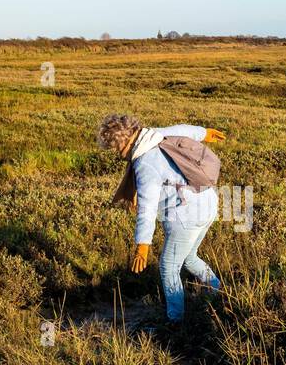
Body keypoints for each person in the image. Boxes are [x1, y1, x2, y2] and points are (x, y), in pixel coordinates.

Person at [97, 114, 227, 322]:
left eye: (113, 148)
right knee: (189, 258)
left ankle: (176, 321)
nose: (116, 154)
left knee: (168, 267)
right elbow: (184, 129)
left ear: (120, 142)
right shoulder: (155, 135)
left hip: (186, 216)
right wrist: (205, 133)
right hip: (208, 203)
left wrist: (142, 244)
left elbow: (146, 208)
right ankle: (218, 293)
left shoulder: (144, 163)